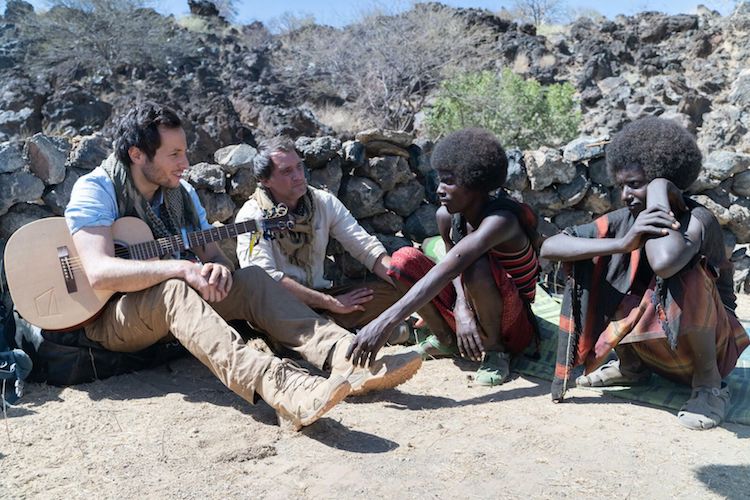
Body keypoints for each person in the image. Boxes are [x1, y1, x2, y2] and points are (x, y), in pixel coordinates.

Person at [64, 102, 422, 431]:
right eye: (173, 154)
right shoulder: (98, 188)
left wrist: (217, 267)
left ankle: (350, 357)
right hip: (110, 316)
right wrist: (181, 269)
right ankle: (282, 386)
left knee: (251, 278)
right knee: (174, 288)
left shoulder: (181, 193)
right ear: (137, 154)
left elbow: (212, 254)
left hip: (175, 302)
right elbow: (98, 271)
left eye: (185, 151)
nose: (184, 163)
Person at [541, 117, 749, 430]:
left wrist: (661, 191)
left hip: (711, 350)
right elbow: (551, 247)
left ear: (664, 184)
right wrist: (623, 243)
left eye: (636, 184)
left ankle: (709, 389)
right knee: (606, 266)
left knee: (687, 275)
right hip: (660, 351)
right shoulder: (626, 220)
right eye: (621, 185)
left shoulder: (698, 219)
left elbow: (665, 262)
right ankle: (631, 368)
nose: (625, 194)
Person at [346, 128, 541, 386]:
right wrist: (461, 308)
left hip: (514, 325)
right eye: (439, 180)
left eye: (449, 181)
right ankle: (446, 340)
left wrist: (383, 321)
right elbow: (453, 269)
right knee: (403, 260)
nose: (439, 190)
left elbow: (453, 267)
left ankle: (496, 353)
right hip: (473, 305)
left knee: (476, 266)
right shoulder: (447, 217)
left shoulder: (500, 221)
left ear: (476, 183)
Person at [235, 136, 406, 337]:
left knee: (394, 292)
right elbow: (265, 280)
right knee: (273, 316)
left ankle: (323, 331)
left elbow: (365, 247)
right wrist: (331, 303)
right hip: (280, 306)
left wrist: (407, 285)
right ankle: (327, 333)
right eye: (286, 171)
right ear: (265, 180)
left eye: (299, 167)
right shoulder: (252, 217)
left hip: (322, 300)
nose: (298, 176)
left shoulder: (323, 202)